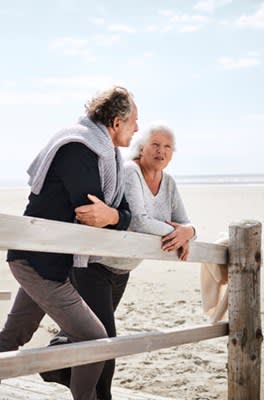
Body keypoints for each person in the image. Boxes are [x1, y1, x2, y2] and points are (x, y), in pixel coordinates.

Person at [0, 86, 139, 400]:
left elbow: (117, 213)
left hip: (47, 263)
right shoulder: (80, 148)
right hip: (37, 261)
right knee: (94, 339)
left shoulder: (106, 156)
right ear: (116, 123)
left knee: (14, 334)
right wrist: (116, 216)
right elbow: (90, 212)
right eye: (134, 121)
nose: (138, 128)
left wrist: (114, 215)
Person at [42, 122, 196, 400]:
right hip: (94, 265)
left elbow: (185, 222)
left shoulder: (169, 182)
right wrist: (176, 232)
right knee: (106, 342)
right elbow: (137, 221)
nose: (161, 151)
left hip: (122, 270)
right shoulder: (130, 171)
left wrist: (189, 232)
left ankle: (57, 368)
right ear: (142, 147)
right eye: (155, 145)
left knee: (87, 334)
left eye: (167, 147)